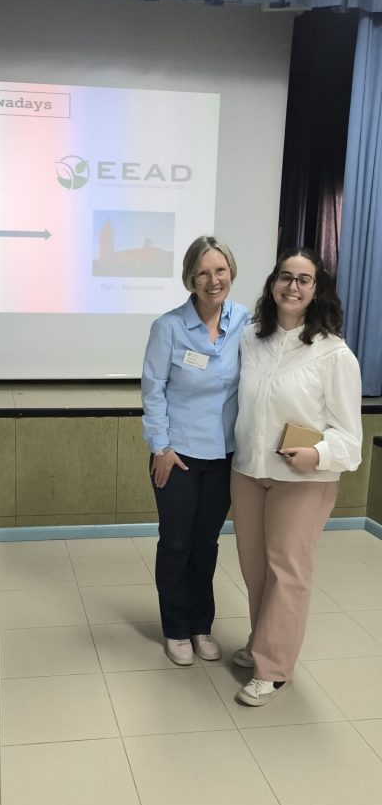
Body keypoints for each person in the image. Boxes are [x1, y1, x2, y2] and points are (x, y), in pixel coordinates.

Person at [231, 247, 362, 706]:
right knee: (255, 568)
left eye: (303, 279)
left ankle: (273, 668)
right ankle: (263, 641)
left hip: (303, 480)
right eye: (285, 277)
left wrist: (318, 453)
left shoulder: (334, 354)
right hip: (249, 473)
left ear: (317, 289)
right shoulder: (252, 339)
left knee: (287, 571)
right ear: (273, 284)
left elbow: (351, 439)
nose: (292, 286)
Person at [141, 235, 250, 666]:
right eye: (202, 273)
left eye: (220, 270)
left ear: (231, 272)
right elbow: (153, 391)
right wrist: (161, 448)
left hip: (225, 457)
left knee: (206, 545)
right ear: (190, 278)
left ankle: (201, 625)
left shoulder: (246, 321)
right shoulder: (168, 327)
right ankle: (175, 627)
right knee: (176, 543)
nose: (212, 280)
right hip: (178, 456)